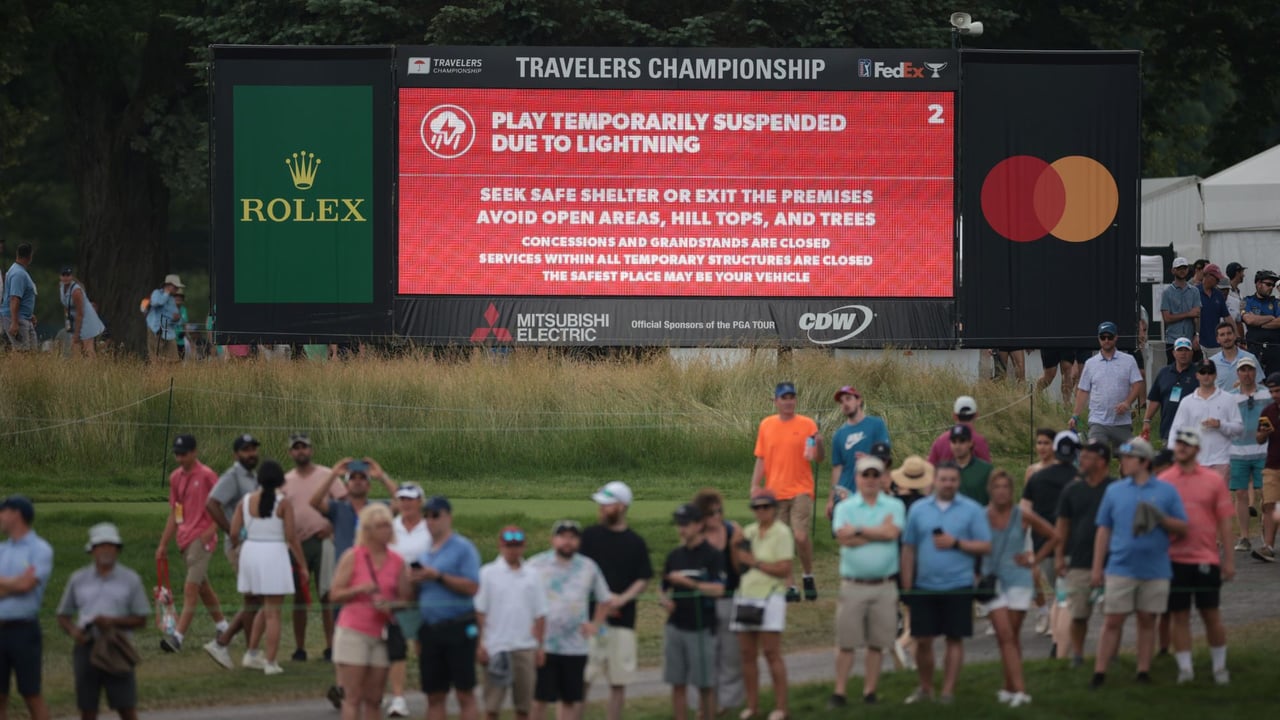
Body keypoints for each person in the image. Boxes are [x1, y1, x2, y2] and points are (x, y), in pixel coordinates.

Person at [1089, 438, 1188, 689]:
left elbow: (1183, 527)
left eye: (1128, 458)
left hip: (1155, 568)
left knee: (1147, 620)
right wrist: (1097, 567)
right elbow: (1103, 530)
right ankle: (1099, 673)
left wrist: (1161, 519)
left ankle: (1143, 670)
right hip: (1120, 567)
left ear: (1144, 462)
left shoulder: (1166, 490)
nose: (1122, 463)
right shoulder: (1114, 491)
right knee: (1112, 620)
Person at [900, 462, 992, 704]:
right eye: (944, 479)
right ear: (935, 481)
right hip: (924, 585)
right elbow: (909, 548)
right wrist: (907, 584)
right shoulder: (919, 509)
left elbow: (985, 545)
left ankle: (948, 692)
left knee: (954, 638)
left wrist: (957, 543)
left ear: (958, 482)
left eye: (953, 479)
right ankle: (925, 688)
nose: (948, 483)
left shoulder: (972, 510)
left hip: (959, 584)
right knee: (922, 641)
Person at [1157, 428, 1235, 685]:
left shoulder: (1212, 481)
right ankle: (1185, 669)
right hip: (1173, 558)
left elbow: (1224, 521)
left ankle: (1220, 667)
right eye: (1178, 443)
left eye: (1187, 443)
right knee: (1179, 615)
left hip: (1205, 557)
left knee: (1210, 613)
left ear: (1197, 449)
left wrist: (1229, 561)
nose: (1181, 447)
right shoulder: (1165, 480)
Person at [829, 457, 905, 708]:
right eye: (865, 475)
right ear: (858, 478)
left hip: (884, 585)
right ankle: (839, 692)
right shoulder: (845, 507)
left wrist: (859, 530)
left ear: (882, 477)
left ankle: (870, 691)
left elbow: (892, 534)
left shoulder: (894, 506)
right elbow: (844, 538)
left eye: (875, 475)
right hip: (853, 584)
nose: (871, 479)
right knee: (846, 642)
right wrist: (877, 533)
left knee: (877, 642)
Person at [56, 523, 151, 720]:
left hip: (116, 645)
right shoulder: (78, 579)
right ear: (92, 550)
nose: (106, 550)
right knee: (87, 707)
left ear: (117, 549)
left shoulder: (130, 579)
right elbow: (63, 615)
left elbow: (141, 619)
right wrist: (74, 632)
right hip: (87, 645)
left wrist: (113, 622)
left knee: (126, 706)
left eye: (111, 546)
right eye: (101, 546)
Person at [982, 470, 1059, 708]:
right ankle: (1019, 690)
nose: (1002, 491)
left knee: (1011, 637)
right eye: (997, 487)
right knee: (1005, 636)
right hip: (992, 582)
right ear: (990, 490)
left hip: (1018, 580)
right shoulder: (981, 516)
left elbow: (1054, 535)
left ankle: (1011, 688)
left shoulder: (1022, 514)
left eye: (1006, 486)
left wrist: (1034, 558)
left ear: (1012, 490)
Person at [329, 503, 411, 720]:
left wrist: (390, 605)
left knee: (374, 698)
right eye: (380, 526)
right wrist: (358, 589)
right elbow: (334, 594)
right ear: (367, 530)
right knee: (353, 696)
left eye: (388, 525)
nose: (386, 530)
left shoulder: (397, 561)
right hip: (354, 631)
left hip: (382, 633)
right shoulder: (353, 556)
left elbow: (406, 599)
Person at [580, 481, 652, 720]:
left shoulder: (636, 542)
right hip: (590, 621)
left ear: (621, 507)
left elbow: (643, 577)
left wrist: (622, 599)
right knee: (583, 679)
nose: (601, 509)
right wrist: (602, 599)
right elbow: (580, 572)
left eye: (606, 504)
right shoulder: (589, 537)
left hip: (623, 621)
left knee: (618, 681)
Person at [527, 520, 610, 720]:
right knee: (539, 699)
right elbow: (520, 595)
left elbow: (605, 599)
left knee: (570, 700)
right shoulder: (536, 565)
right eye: (562, 536)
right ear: (553, 540)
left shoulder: (588, 567)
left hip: (575, 646)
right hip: (544, 645)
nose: (567, 541)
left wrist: (595, 625)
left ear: (578, 542)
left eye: (572, 537)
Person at [232, 460, 308, 675]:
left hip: (251, 552)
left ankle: (252, 653)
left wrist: (244, 545)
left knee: (265, 608)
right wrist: (302, 565)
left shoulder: (245, 501)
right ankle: (270, 661)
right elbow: (292, 538)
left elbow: (234, 532)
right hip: (273, 553)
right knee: (274, 611)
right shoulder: (283, 503)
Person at [409, 496, 481, 720]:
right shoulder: (424, 553)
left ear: (448, 517)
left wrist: (438, 576)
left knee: (464, 692)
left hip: (458, 627)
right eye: (427, 516)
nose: (431, 521)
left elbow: (472, 586)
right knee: (434, 695)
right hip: (430, 629)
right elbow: (415, 596)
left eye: (436, 515)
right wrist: (413, 581)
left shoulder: (463, 548)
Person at [155, 434, 228, 653]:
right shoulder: (175, 478)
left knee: (191, 588)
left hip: (202, 540)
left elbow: (220, 505)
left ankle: (177, 638)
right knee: (203, 587)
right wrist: (163, 544)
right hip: (185, 539)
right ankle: (223, 626)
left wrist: (212, 530)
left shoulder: (207, 476)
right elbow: (175, 512)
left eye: (184, 454)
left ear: (194, 452)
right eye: (177, 454)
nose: (180, 458)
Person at [749, 382, 820, 602]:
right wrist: (755, 485)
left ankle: (808, 574)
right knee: (782, 540)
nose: (788, 401)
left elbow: (817, 456)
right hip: (775, 491)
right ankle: (790, 586)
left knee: (799, 535)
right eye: (784, 397)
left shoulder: (808, 424)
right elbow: (761, 457)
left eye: (791, 397)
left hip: (801, 488)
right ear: (776, 401)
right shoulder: (766, 425)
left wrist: (818, 447)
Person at [732, 490, 794, 720]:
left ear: (774, 508)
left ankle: (781, 707)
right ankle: (752, 705)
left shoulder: (782, 533)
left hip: (771, 596)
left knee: (771, 652)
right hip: (745, 594)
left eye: (765, 507)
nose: (761, 511)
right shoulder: (748, 532)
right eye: (756, 508)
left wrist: (755, 563)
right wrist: (733, 546)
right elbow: (738, 567)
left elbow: (784, 568)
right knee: (747, 654)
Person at [280, 432, 342, 663]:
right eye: (296, 448)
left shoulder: (327, 476)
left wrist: (331, 528)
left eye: (304, 447)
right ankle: (299, 648)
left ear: (311, 450)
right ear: (290, 453)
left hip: (324, 542)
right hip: (298, 545)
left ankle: (331, 646)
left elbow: (343, 504)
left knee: (327, 594)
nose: (300, 451)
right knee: (299, 597)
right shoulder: (286, 481)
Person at [660, 504, 725, 720]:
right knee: (677, 684)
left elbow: (719, 589)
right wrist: (665, 601)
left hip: (702, 628)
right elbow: (663, 588)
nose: (681, 529)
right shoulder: (674, 555)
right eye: (679, 524)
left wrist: (689, 583)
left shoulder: (712, 555)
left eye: (686, 524)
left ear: (699, 525)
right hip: (675, 626)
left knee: (705, 685)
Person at [203, 433, 262, 669]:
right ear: (236, 454)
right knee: (254, 597)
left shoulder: (252, 477)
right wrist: (231, 532)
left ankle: (227, 643)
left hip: (252, 545)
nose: (251, 454)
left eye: (253, 449)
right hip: (239, 547)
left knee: (256, 598)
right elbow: (211, 503)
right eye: (246, 450)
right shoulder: (233, 476)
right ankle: (245, 650)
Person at [1054, 440, 1115, 666]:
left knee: (1112, 615)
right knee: (1078, 614)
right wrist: (1060, 556)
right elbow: (1062, 525)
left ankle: (1111, 655)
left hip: (1112, 563)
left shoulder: (1114, 489)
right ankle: (1077, 655)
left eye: (1088, 457)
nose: (1082, 460)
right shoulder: (1072, 490)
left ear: (1101, 462)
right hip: (1078, 561)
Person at [475, 525, 545, 720]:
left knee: (523, 706)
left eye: (517, 546)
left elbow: (540, 614)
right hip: (496, 645)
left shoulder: (532, 575)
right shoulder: (488, 573)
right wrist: (480, 644)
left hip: (525, 646)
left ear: (523, 547)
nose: (513, 550)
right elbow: (480, 611)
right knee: (492, 707)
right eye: (509, 546)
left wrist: (540, 646)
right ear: (501, 546)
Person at [1022, 430, 1080, 638]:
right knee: (1037, 577)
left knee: (1060, 588)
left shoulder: (1074, 476)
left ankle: (1059, 631)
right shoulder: (1033, 472)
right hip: (1039, 532)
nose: (1042, 447)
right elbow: (1026, 507)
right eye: (1039, 443)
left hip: (1053, 537)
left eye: (1046, 443)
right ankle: (1044, 612)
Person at [689, 489, 744, 712]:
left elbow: (741, 569)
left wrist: (734, 547)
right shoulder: (694, 536)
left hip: (731, 598)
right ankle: (702, 704)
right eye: (710, 513)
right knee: (703, 655)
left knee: (731, 655)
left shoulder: (734, 530)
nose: (715, 516)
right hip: (704, 602)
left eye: (718, 511)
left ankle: (727, 704)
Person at [0, 495, 53, 720]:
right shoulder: (2, 549)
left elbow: (27, 585)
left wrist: (10, 582)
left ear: (16, 515)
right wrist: (16, 582)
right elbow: (20, 583)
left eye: (3, 512)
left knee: (31, 693)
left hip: (24, 630)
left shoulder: (40, 549)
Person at [387, 482, 431, 718]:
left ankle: (429, 693)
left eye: (410, 498)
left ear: (419, 502)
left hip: (425, 592)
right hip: (397, 594)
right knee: (397, 646)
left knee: (423, 644)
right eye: (402, 498)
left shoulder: (429, 528)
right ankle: (398, 698)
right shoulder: (391, 528)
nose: (405, 503)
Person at [888, 456, 934, 670]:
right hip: (918, 563)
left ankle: (913, 661)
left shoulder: (894, 504)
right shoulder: (924, 506)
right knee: (920, 615)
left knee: (909, 611)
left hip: (896, 560)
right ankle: (902, 643)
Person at [1069, 321, 1143, 451]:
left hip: (1122, 423)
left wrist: (1127, 403)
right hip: (1098, 421)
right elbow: (1083, 391)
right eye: (1103, 337)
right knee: (1095, 455)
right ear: (1099, 339)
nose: (1106, 340)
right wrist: (1075, 415)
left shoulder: (1128, 360)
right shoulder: (1090, 363)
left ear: (1116, 338)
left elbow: (1137, 384)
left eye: (1110, 337)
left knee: (1130, 456)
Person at [1168, 360, 1243, 482]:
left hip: (1221, 459)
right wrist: (1173, 453)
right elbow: (1176, 429)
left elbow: (1239, 429)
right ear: (1197, 375)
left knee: (1217, 499)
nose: (1206, 376)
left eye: (1210, 372)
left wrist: (1220, 424)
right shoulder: (1187, 401)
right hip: (1195, 460)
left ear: (1215, 375)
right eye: (1202, 372)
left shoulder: (1228, 399)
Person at [827, 385, 891, 521]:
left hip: (870, 490)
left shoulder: (876, 425)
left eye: (848, 399)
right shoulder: (839, 435)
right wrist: (831, 499)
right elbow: (837, 468)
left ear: (859, 400)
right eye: (842, 401)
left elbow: (885, 456)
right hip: (844, 493)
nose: (845, 404)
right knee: (845, 536)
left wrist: (869, 459)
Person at [1229, 357, 1268, 551]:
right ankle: (1244, 537)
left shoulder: (1267, 395)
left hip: (1263, 451)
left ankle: (1266, 537)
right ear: (1238, 373)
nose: (1247, 374)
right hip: (1238, 452)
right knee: (1241, 494)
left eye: (1250, 370)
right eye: (1243, 370)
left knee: (1267, 496)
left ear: (1255, 372)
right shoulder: (1230, 397)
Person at [1142, 338, 1199, 445]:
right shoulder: (1164, 373)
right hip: (1169, 431)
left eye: (1186, 350)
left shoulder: (1199, 373)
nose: (1183, 353)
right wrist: (1147, 420)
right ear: (1173, 353)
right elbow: (1155, 399)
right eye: (1180, 350)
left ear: (1191, 352)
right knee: (1169, 461)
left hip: (1193, 432)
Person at [1250, 371, 1280, 563]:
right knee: (1269, 505)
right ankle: (1268, 546)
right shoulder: (1267, 411)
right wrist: (1264, 433)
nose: (1275, 395)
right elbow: (1259, 439)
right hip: (1272, 464)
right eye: (1272, 392)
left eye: (1278, 391)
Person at [927, 396, 992, 465]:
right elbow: (987, 470)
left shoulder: (940, 440)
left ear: (954, 416)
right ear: (976, 415)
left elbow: (929, 468)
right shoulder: (980, 441)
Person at [1161, 257, 1201, 365]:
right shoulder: (1167, 292)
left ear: (1188, 270)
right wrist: (1188, 314)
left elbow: (1197, 315)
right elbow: (1167, 318)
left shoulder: (1194, 291)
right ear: (1173, 270)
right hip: (1173, 340)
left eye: (1184, 268)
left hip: (1190, 339)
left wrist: (1197, 335)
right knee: (1173, 369)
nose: (1182, 271)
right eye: (1179, 268)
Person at [58, 267, 104, 358]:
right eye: (64, 275)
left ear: (71, 277)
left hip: (87, 320)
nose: (66, 278)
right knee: (74, 346)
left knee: (87, 347)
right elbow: (66, 306)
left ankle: (94, 369)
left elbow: (80, 313)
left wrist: (77, 333)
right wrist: (68, 324)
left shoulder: (76, 291)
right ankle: (78, 369)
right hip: (74, 320)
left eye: (68, 275)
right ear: (60, 277)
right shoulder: (61, 287)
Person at [1241, 269, 1280, 376]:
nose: (1271, 288)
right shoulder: (1247, 301)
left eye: (1272, 285)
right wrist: (1272, 317)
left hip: (1275, 350)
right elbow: (1249, 320)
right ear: (1258, 284)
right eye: (1268, 284)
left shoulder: (1276, 302)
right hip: (1254, 349)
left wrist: (1258, 323)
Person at [2, 243, 37, 351]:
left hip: (24, 317)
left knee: (31, 353)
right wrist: (14, 322)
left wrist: (29, 314)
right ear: (30, 256)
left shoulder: (18, 270)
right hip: (18, 318)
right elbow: (14, 299)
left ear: (17, 254)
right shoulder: (18, 274)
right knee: (22, 353)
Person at [948, 424, 992, 505]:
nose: (957, 446)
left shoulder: (985, 469)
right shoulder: (945, 470)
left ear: (970, 443)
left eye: (962, 441)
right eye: (954, 442)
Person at [1208, 320, 1258, 391]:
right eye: (1222, 335)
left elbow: (1260, 385)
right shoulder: (1212, 362)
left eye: (1229, 333)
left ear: (1234, 336)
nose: (1226, 338)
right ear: (1217, 339)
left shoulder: (1250, 358)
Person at [145, 273, 184, 361]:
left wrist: (176, 319)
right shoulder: (157, 293)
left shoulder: (172, 299)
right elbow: (156, 303)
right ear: (169, 285)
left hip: (169, 331)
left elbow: (177, 318)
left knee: (174, 360)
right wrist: (166, 293)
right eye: (175, 286)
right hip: (155, 330)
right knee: (156, 359)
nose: (177, 289)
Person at [1197, 264, 1230, 353]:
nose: (1218, 281)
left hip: (1216, 343)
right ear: (1208, 276)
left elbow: (1227, 317)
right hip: (1199, 343)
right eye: (1216, 278)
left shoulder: (1218, 295)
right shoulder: (1194, 292)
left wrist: (1236, 336)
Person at [1224, 261, 1247, 340]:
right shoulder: (1226, 293)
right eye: (1242, 272)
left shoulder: (1238, 292)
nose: (1243, 275)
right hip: (1229, 334)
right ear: (1237, 273)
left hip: (1239, 332)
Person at [173, 289, 191, 360]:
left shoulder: (184, 310)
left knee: (181, 359)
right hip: (172, 339)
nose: (178, 298)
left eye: (180, 297)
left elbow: (185, 324)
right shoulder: (170, 309)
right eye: (176, 296)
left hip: (181, 340)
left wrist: (187, 335)